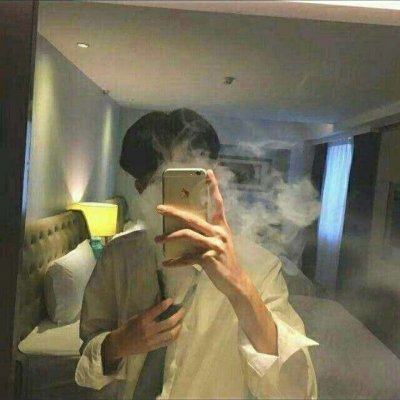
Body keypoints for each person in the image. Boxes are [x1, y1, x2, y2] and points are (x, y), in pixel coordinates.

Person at [75, 108, 318, 399]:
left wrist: (240, 287)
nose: (174, 195)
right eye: (157, 182)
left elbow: (297, 391)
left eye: (184, 181)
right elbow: (86, 360)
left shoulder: (259, 268)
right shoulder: (118, 256)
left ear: (212, 178)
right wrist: (118, 344)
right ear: (140, 187)